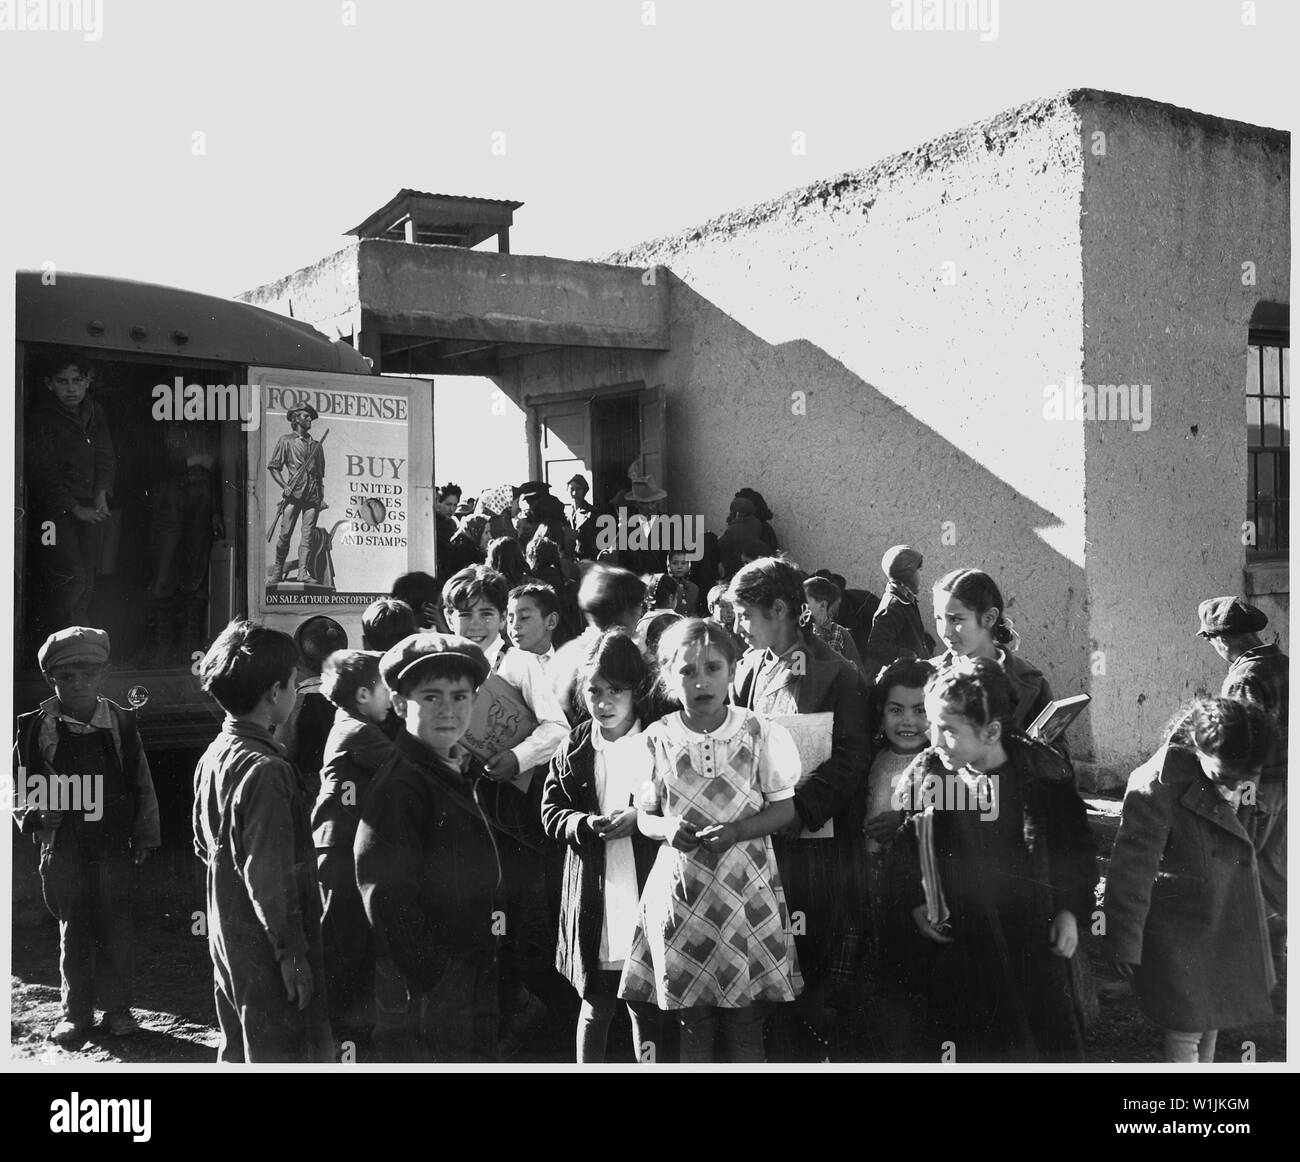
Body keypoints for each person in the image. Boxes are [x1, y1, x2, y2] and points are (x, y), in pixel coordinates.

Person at [618, 619, 804, 1062]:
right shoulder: (656, 740)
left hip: (744, 889)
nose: (701, 680)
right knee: (693, 1015)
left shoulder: (760, 732)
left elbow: (784, 809)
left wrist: (738, 830)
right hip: (684, 893)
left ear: (733, 671)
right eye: (686, 671)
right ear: (667, 676)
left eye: (713, 668)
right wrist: (666, 829)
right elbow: (645, 816)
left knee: (745, 1017)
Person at [902, 658, 1096, 1062]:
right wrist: (915, 901)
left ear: (991, 731)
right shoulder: (934, 775)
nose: (932, 737)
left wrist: (1069, 911)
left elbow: (1074, 851)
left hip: (1031, 943)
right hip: (962, 947)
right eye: (931, 723)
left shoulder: (1043, 780)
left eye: (948, 729)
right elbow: (909, 846)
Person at [353, 634, 534, 1062]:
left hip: (469, 974)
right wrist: (438, 976)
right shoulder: (402, 783)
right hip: (430, 991)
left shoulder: (446, 767)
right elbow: (387, 896)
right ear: (399, 705)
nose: (448, 710)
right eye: (430, 697)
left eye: (460, 696)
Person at [729, 557, 870, 1059]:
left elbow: (853, 758)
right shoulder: (745, 669)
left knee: (805, 965)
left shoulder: (836, 674)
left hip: (810, 847)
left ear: (781, 609)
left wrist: (801, 809)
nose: (738, 627)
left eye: (746, 615)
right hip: (753, 843)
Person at [1103, 697, 1279, 1063]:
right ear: (1198, 747)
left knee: (1211, 1016)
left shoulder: (1238, 767)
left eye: (1246, 778)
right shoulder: (1155, 787)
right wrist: (1123, 939)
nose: (1235, 789)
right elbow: (1130, 871)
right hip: (1179, 931)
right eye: (1225, 779)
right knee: (1185, 1028)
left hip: (1222, 921)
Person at [193, 619, 333, 1062]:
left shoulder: (216, 750)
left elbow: (202, 840)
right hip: (266, 937)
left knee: (239, 1040)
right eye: (294, 683)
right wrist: (292, 953)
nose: (295, 692)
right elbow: (268, 874)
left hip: (227, 923)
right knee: (278, 1047)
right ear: (275, 692)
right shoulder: (269, 770)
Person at [13, 626, 160, 1046]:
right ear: (50, 679)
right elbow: (14, 786)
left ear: (103, 675)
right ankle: (75, 1013)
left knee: (116, 924)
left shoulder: (120, 722)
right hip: (64, 847)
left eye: (88, 675)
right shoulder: (35, 728)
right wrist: (36, 812)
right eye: (66, 677)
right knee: (73, 927)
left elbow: (141, 781)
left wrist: (146, 833)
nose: (78, 684)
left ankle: (118, 1009)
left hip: (113, 841)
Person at [541, 629, 662, 1062]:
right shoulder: (575, 745)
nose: (604, 703)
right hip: (595, 893)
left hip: (644, 887)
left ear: (637, 690)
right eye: (594, 690)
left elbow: (677, 799)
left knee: (645, 1004)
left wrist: (642, 819)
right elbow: (552, 810)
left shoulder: (657, 742)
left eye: (615, 691)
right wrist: (585, 824)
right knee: (596, 1004)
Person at [1197, 595, 1288, 973]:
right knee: (1274, 862)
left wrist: (1241, 798)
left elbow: (1243, 745)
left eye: (1210, 639)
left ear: (1223, 638)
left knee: (1250, 862)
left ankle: (1260, 959)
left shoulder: (1244, 677)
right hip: (1286, 780)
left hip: (1264, 786)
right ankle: (1276, 954)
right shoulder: (1283, 663)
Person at [311, 650, 397, 1039]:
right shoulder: (360, 732)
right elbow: (410, 770)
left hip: (342, 846)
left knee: (351, 937)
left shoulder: (348, 723)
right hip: (341, 848)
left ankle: (347, 1024)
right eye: (386, 690)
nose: (392, 698)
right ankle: (338, 1028)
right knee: (344, 940)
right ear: (363, 694)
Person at [27, 351, 116, 634]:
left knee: (87, 579)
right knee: (72, 578)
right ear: (49, 384)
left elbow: (105, 456)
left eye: (77, 380)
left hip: (89, 507)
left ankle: (78, 640)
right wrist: (75, 508)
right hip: (56, 512)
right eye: (62, 381)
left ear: (88, 381)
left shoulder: (94, 410)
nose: (71, 388)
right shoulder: (42, 417)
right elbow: (43, 472)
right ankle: (71, 643)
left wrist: (102, 493)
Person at [932, 568, 1061, 744]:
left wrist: (1033, 751)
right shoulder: (928, 675)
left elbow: (1059, 758)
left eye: (955, 619)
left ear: (989, 618)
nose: (945, 632)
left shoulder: (1031, 682)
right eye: (939, 619)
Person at [140, 418, 221, 667]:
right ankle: (162, 649)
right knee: (164, 576)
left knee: (195, 578)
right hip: (169, 506)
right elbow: (148, 465)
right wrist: (192, 462)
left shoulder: (210, 430)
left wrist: (218, 510)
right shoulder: (161, 428)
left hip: (201, 507)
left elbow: (221, 473)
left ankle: (190, 648)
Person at [550, 565, 647, 725]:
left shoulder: (567, 653)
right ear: (626, 612)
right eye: (639, 606)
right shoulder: (622, 660)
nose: (640, 613)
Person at [267, 403, 326, 586]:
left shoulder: (317, 446)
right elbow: (274, 467)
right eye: (305, 416)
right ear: (296, 419)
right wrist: (284, 485)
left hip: (313, 496)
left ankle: (302, 572)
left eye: (310, 417)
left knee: (307, 536)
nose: (309, 420)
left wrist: (320, 498)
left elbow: (319, 475)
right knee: (284, 535)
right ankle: (277, 573)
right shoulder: (286, 441)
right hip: (294, 494)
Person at [864, 545, 935, 678]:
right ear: (906, 574)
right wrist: (910, 656)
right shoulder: (893, 607)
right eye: (919, 570)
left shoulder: (907, 599)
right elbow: (876, 646)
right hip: (903, 677)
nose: (922, 574)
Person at [802, 575, 865, 676]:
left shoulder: (841, 634)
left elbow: (859, 675)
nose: (801, 606)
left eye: (805, 601)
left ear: (822, 605)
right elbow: (796, 677)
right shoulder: (800, 635)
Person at [507, 582, 561, 665]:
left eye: (524, 617)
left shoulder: (572, 664)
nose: (514, 626)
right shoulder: (497, 668)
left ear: (551, 621)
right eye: (510, 620)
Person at [666, 549, 701, 616]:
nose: (679, 567)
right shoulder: (665, 587)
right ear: (668, 565)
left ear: (689, 565)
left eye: (683, 563)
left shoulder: (694, 588)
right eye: (675, 563)